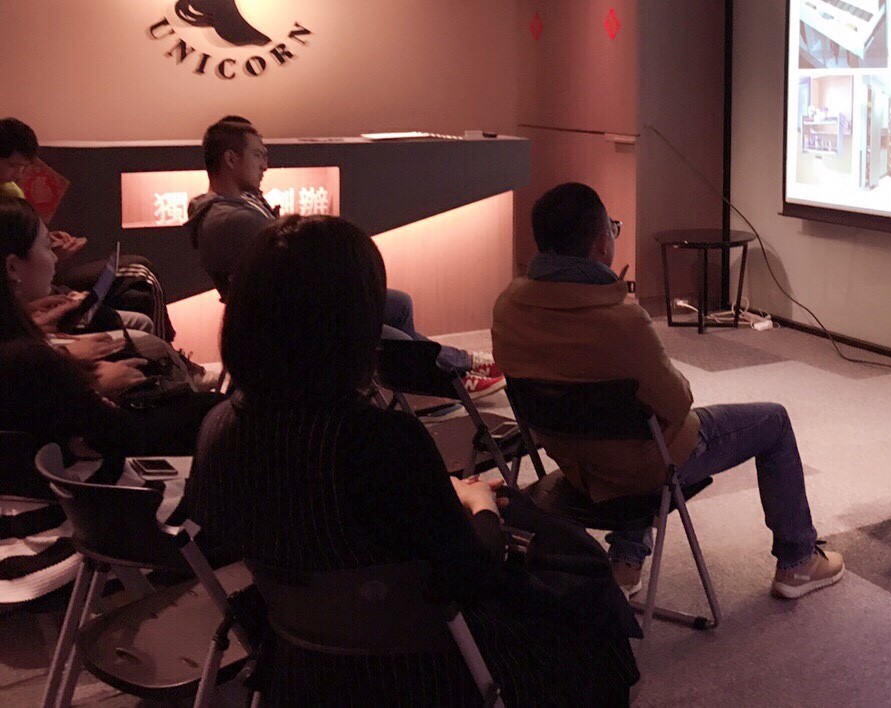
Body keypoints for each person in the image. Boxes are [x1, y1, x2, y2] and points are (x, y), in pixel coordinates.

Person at [186, 216, 638, 706]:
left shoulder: (218, 431)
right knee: (588, 604)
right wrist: (480, 505)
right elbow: (471, 574)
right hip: (423, 673)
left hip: (302, 670)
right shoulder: (380, 442)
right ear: (353, 323)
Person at [492, 182, 845, 600]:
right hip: (644, 468)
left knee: (626, 427)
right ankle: (798, 561)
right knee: (773, 420)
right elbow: (678, 404)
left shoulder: (508, 307)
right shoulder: (622, 323)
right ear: (602, 243)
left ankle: (626, 562)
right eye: (613, 229)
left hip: (575, 463)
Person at [184, 116, 503, 394]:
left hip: (304, 299)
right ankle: (445, 379)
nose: (264, 165)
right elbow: (293, 269)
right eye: (257, 155)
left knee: (397, 303)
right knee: (383, 329)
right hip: (298, 316)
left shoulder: (240, 206)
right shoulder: (231, 219)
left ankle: (445, 369)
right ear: (231, 159)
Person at [0, 197, 220, 459]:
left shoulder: (22, 345)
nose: (55, 258)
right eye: (48, 247)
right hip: (100, 456)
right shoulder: (28, 357)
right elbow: (118, 432)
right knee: (214, 411)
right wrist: (94, 384)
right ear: (13, 267)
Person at [1, 116, 176, 340]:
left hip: (45, 278)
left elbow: (26, 237)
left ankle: (168, 350)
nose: (18, 175)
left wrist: (51, 242)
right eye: (13, 166)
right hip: (29, 290)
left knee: (138, 284)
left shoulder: (13, 191)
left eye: (23, 167)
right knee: (140, 274)